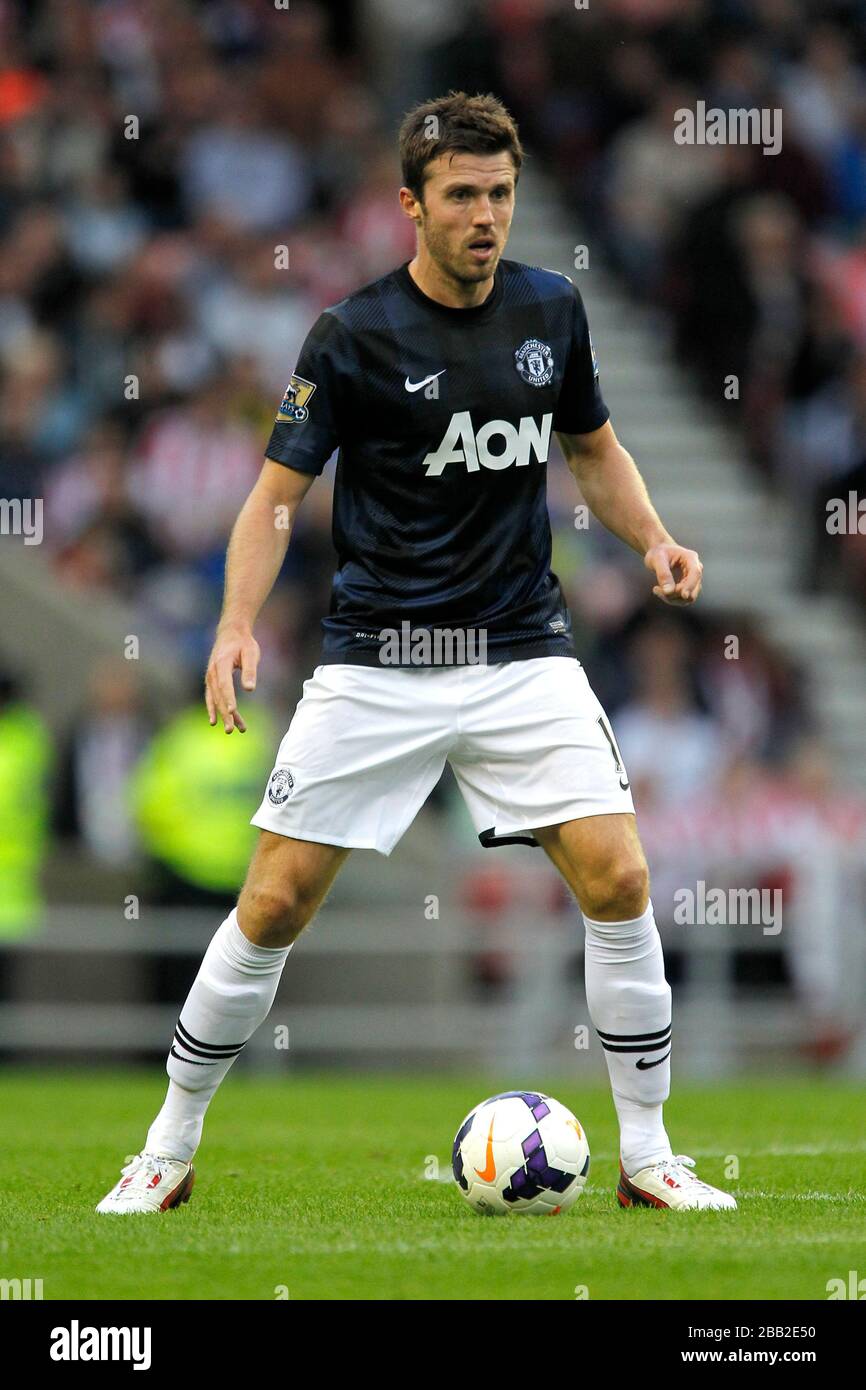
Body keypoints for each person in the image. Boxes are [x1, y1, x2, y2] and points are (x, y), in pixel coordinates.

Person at [97, 91, 734, 1215]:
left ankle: (646, 1156)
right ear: (410, 205)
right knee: (274, 903)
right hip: (374, 661)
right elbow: (272, 499)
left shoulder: (552, 311)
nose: (484, 216)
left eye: (499, 195)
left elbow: (593, 450)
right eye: (460, 197)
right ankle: (166, 1144)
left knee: (620, 875)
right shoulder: (350, 335)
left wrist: (654, 537)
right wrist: (237, 624)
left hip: (519, 650)